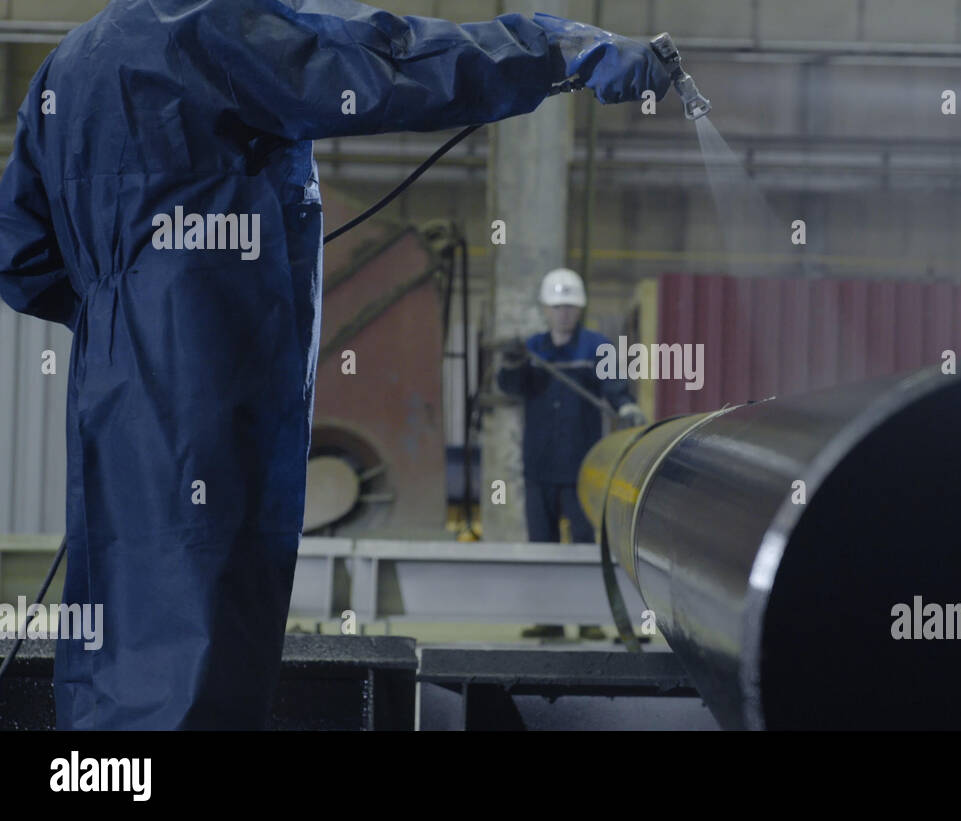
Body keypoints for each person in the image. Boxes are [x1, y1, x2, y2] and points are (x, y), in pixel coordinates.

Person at [0, 0, 670, 730]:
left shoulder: (67, 67)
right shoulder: (211, 30)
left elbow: (19, 254)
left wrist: (125, 319)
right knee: (200, 634)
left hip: (113, 392)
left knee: (115, 633)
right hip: (215, 387)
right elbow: (383, 62)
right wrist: (554, 49)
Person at [498, 268, 646, 640]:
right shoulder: (533, 349)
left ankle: (588, 620)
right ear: (546, 309)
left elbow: (614, 386)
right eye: (557, 306)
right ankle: (549, 619)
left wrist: (626, 407)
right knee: (542, 547)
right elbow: (509, 386)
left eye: (569, 306)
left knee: (582, 545)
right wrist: (512, 362)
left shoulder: (596, 347)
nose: (563, 313)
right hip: (539, 466)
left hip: (583, 467)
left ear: (579, 309)